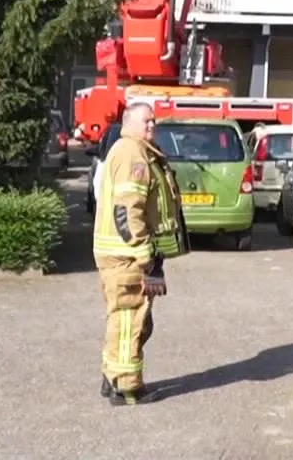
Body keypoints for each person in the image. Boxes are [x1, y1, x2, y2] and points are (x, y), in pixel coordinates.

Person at [92, 102, 188, 405]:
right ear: (127, 121)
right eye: (146, 120)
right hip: (127, 256)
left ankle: (112, 378)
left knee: (128, 319)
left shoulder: (135, 150)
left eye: (153, 120)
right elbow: (126, 211)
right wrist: (144, 255)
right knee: (129, 320)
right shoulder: (131, 153)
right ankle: (127, 389)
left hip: (125, 254)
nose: (152, 125)